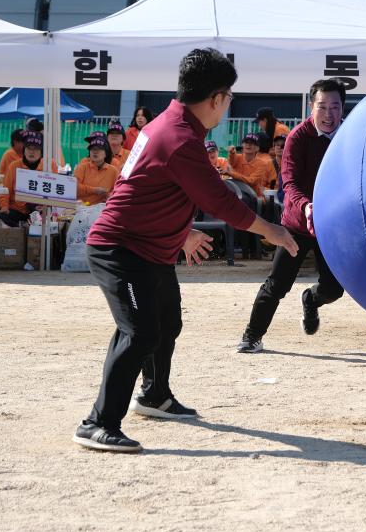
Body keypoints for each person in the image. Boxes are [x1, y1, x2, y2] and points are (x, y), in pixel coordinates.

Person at [73, 48, 299, 453]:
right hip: (120, 248)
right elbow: (222, 202)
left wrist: (182, 232)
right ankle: (98, 422)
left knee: (165, 323)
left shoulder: (168, 126)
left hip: (149, 249)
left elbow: (145, 188)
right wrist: (274, 231)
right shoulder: (179, 138)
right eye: (228, 97)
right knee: (140, 331)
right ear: (216, 98)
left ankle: (155, 395)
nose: (228, 105)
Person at [236, 78, 347, 354]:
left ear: (343, 108)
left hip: (331, 227)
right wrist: (306, 206)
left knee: (334, 289)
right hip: (297, 224)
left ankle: (310, 299)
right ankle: (251, 336)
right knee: (277, 284)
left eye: (335, 107)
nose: (329, 114)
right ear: (312, 107)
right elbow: (290, 183)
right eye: (322, 106)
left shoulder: (349, 135)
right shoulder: (298, 137)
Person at [0, 131, 56, 227]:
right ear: (24, 150)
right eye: (28, 148)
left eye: (36, 149)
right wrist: (4, 206)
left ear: (41, 152)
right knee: (0, 217)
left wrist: (46, 206)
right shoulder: (14, 166)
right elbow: (5, 190)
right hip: (17, 210)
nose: (31, 152)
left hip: (41, 212)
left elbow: (55, 193)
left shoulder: (49, 166)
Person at [74, 132, 119, 206]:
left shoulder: (113, 171)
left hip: (103, 208)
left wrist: (110, 196)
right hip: (82, 207)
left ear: (106, 153)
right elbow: (74, 187)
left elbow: (118, 190)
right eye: (92, 149)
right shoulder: (82, 167)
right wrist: (94, 190)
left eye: (99, 149)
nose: (95, 152)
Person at [227, 133, 277, 197]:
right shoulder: (237, 158)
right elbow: (232, 160)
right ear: (242, 145)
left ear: (257, 148)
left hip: (252, 197)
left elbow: (251, 181)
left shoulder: (262, 164)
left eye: (252, 143)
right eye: (246, 142)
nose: (248, 145)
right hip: (236, 194)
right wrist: (232, 153)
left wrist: (231, 174)